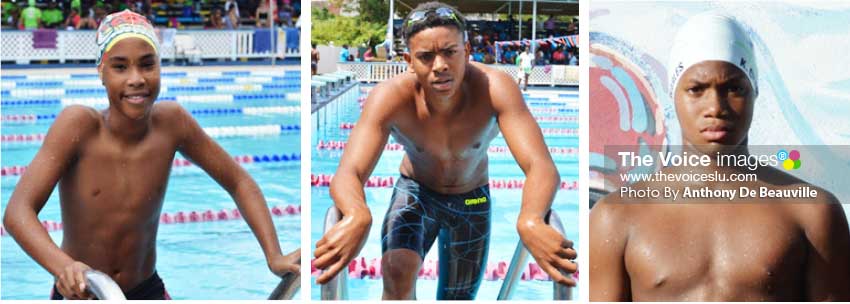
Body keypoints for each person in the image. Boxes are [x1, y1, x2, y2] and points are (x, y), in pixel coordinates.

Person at [2, 10, 300, 300]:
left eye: (147, 65)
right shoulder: (78, 125)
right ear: (101, 72)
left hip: (147, 290)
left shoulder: (172, 123)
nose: (136, 79)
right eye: (120, 67)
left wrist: (273, 255)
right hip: (83, 293)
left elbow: (240, 182)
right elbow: (17, 212)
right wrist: (64, 267)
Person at [313, 2, 575, 300]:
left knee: (459, 297)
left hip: (473, 198)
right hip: (416, 193)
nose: (440, 66)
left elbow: (541, 166)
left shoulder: (495, 89)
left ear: (466, 50)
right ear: (409, 60)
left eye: (449, 52)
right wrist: (357, 213)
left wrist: (530, 218)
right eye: (426, 57)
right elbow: (349, 171)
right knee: (396, 272)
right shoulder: (390, 98)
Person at [589, 13, 850, 301]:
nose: (715, 107)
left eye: (734, 89)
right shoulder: (616, 216)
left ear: (755, 93)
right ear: (674, 96)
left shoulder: (812, 212)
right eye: (696, 90)